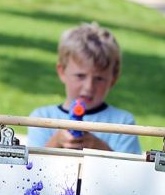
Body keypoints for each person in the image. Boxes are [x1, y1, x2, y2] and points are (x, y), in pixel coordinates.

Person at [28, 22, 141, 155]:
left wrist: (98, 147)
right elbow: (32, 166)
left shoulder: (124, 123)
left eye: (99, 78)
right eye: (80, 76)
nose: (89, 87)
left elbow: (129, 172)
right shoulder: (41, 118)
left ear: (113, 78)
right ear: (62, 72)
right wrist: (56, 142)